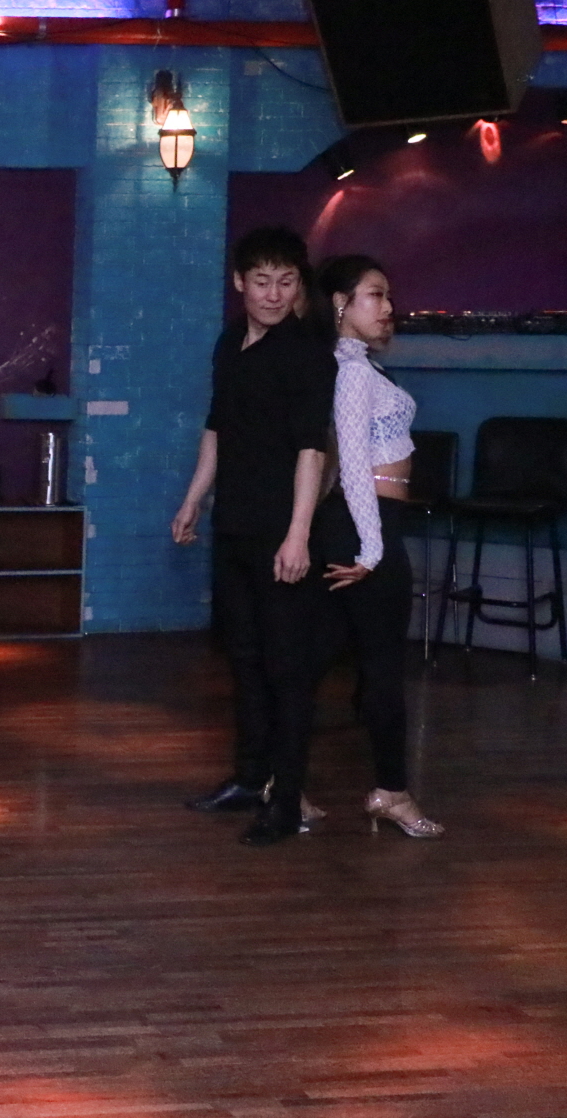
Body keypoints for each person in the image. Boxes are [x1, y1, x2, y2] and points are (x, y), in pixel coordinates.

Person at [173, 227, 334, 847]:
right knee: (243, 659)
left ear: (298, 286)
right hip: (233, 525)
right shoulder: (228, 343)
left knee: (286, 669)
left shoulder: (307, 353)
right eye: (261, 281)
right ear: (239, 282)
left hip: (281, 531)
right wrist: (194, 499)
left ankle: (286, 801)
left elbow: (312, 450)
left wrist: (298, 535)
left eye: (285, 282)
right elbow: (217, 427)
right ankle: (248, 777)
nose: (273, 294)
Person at [312, 255, 444, 839]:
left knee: (327, 658)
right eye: (376, 295)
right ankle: (391, 792)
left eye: (388, 296)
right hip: (366, 524)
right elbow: (354, 468)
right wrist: (371, 548)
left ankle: (279, 778)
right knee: (381, 666)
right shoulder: (351, 372)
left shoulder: (360, 366)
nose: (389, 308)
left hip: (370, 523)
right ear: (341, 303)